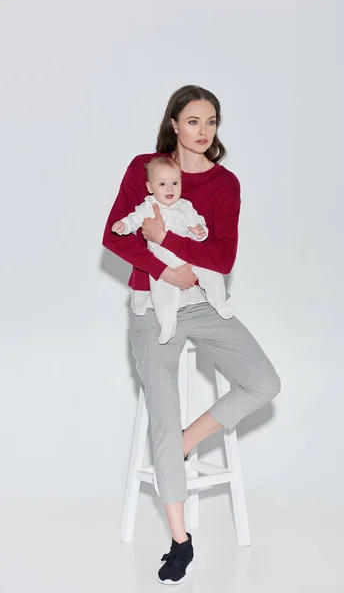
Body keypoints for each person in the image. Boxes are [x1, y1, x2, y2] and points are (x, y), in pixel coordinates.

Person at [102, 84, 281, 585]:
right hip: (149, 306)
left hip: (202, 305)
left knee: (264, 383)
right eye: (194, 121)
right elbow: (112, 235)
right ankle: (181, 540)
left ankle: (181, 444)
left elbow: (222, 258)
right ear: (175, 124)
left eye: (212, 122)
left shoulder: (225, 184)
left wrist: (169, 242)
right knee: (161, 408)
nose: (204, 132)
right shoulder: (145, 168)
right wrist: (167, 269)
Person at [111, 156, 233, 344]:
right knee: (163, 296)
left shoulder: (185, 206)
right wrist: (124, 226)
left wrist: (200, 232)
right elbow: (133, 219)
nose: (170, 188)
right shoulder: (148, 207)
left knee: (212, 273)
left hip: (189, 258)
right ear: (150, 188)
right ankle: (167, 324)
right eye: (162, 184)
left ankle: (219, 302)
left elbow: (198, 224)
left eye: (175, 183)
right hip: (165, 264)